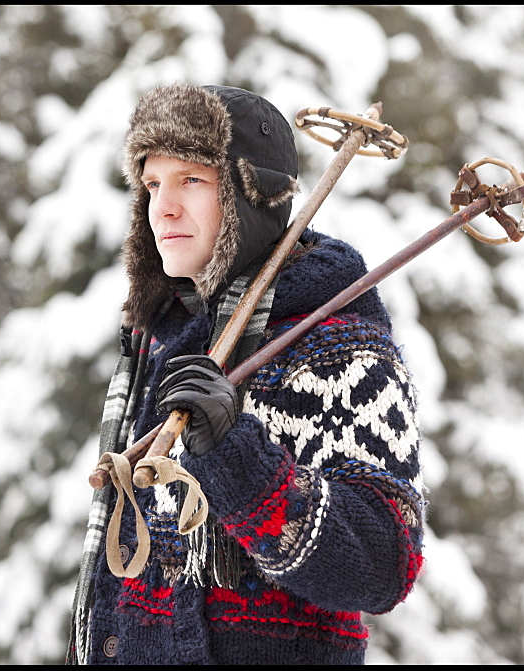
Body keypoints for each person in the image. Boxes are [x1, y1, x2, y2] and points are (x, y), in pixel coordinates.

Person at [66, 83, 425, 665]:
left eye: (192, 180)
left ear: (250, 197)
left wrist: (234, 451)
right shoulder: (162, 340)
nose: (164, 207)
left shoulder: (337, 347)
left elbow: (384, 563)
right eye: (152, 183)